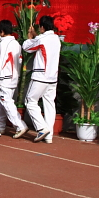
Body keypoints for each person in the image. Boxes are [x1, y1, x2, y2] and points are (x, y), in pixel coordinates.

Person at [22, 15, 61, 143]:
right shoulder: (56, 38)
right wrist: (35, 35)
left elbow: (27, 47)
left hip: (40, 76)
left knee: (30, 101)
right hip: (52, 77)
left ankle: (42, 128)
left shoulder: (41, 39)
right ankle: (48, 135)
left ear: (42, 27)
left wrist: (30, 37)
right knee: (49, 104)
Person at [0, 20, 28, 137]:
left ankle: (20, 125)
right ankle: (0, 126)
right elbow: (19, 62)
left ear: (2, 32)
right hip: (13, 77)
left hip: (5, 78)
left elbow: (1, 61)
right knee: (2, 103)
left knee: (7, 103)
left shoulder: (4, 44)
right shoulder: (17, 44)